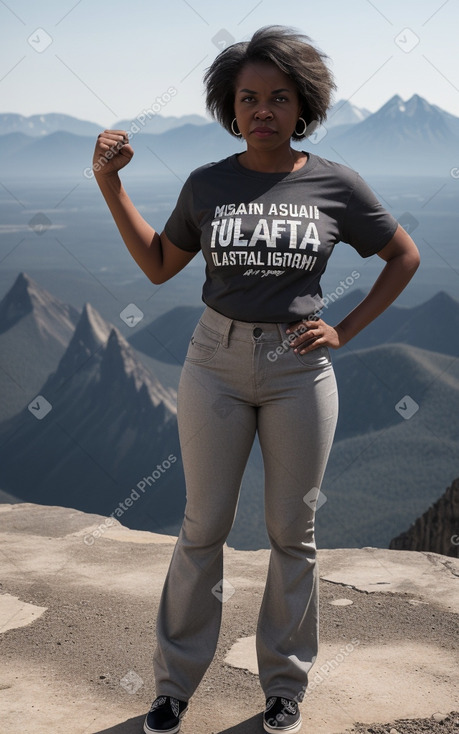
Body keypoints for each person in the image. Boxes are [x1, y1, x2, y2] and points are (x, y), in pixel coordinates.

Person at [92, 25, 420, 734]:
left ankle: (283, 686)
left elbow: (402, 256)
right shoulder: (208, 184)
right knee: (200, 527)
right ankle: (172, 687)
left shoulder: (334, 182)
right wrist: (109, 184)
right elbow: (157, 263)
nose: (263, 110)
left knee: (290, 531)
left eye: (278, 97)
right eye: (249, 98)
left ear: (302, 105)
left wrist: (345, 328)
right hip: (213, 359)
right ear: (229, 107)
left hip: (299, 368)